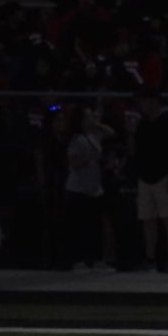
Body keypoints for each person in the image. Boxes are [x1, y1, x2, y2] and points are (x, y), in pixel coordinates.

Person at [130, 90, 168, 272]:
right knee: (148, 220)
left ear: (154, 101)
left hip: (164, 177)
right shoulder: (142, 123)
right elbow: (135, 150)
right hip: (145, 178)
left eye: (145, 101)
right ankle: (150, 258)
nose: (142, 105)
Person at [65, 105, 114, 271]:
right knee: (80, 226)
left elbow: (110, 132)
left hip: (94, 188)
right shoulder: (76, 139)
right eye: (88, 117)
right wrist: (91, 158)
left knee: (96, 226)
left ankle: (97, 258)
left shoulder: (94, 135)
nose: (92, 119)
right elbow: (73, 163)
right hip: (79, 189)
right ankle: (79, 260)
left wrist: (97, 124)